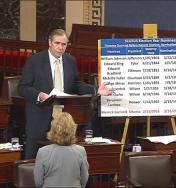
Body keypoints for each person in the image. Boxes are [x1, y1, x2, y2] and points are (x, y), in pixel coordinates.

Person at [18, 28, 111, 159]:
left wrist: (96, 90)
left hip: (63, 118)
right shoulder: (35, 60)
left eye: (64, 44)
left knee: (60, 160)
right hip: (40, 115)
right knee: (33, 160)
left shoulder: (70, 61)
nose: (61, 47)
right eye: (57, 43)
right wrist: (39, 95)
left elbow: (76, 85)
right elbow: (22, 87)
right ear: (50, 42)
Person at [34, 112, 89, 188]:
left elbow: (38, 182)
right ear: (73, 129)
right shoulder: (81, 151)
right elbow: (84, 179)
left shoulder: (42, 152)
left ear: (53, 129)